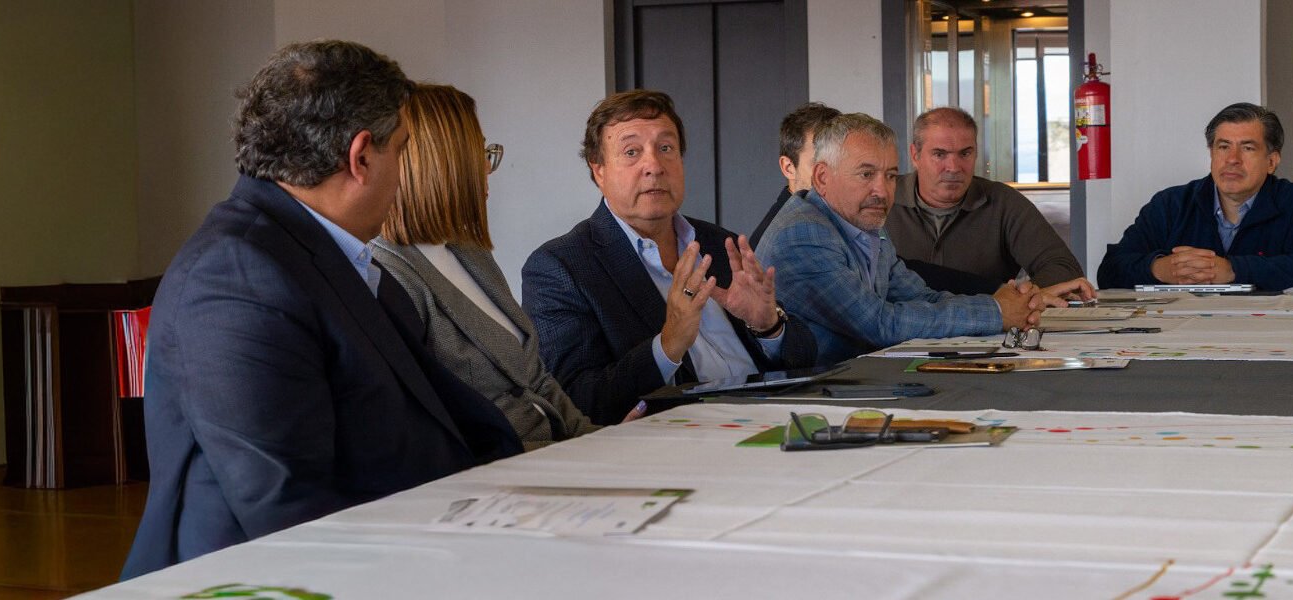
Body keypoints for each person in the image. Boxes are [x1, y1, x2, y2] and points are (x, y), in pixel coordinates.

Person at [122, 42, 522, 579]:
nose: (405, 173)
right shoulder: (237, 276)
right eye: (402, 150)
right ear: (361, 158)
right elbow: (285, 509)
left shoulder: (321, 252)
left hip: (408, 540)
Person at [522, 90, 817, 425]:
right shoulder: (560, 267)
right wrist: (668, 345)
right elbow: (577, 401)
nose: (654, 166)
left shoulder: (718, 242)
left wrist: (768, 327)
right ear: (599, 170)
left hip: (777, 417)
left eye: (666, 149)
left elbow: (805, 358)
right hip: (687, 436)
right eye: (631, 152)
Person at [371, 84, 598, 450]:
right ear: (444, 165)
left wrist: (596, 439)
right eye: (478, 151)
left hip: (559, 454)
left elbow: (536, 378)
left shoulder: (470, 251)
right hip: (507, 466)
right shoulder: (389, 274)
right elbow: (437, 429)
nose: (487, 167)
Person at [756, 113, 1083, 365]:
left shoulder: (864, 220)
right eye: (866, 174)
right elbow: (881, 323)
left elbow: (922, 297)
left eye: (890, 175)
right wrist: (997, 312)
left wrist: (1011, 307)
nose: (882, 191)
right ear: (822, 177)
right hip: (811, 395)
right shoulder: (804, 233)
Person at [1097, 103, 1293, 291]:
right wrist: (1159, 269)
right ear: (1211, 154)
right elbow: (1110, 270)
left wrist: (1234, 271)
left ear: (1271, 161)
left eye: (1247, 148)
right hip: (1183, 328)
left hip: (1265, 329)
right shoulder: (1171, 204)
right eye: (1223, 147)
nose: (1232, 159)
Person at [888, 107, 1091, 293]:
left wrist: (1024, 297)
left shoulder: (1003, 202)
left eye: (965, 153)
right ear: (915, 155)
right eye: (939, 154)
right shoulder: (883, 199)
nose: (954, 167)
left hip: (989, 320)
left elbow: (1064, 268)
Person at [749, 102, 842, 246]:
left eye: (841, 162)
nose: (835, 174)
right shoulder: (782, 236)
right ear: (788, 168)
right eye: (819, 164)